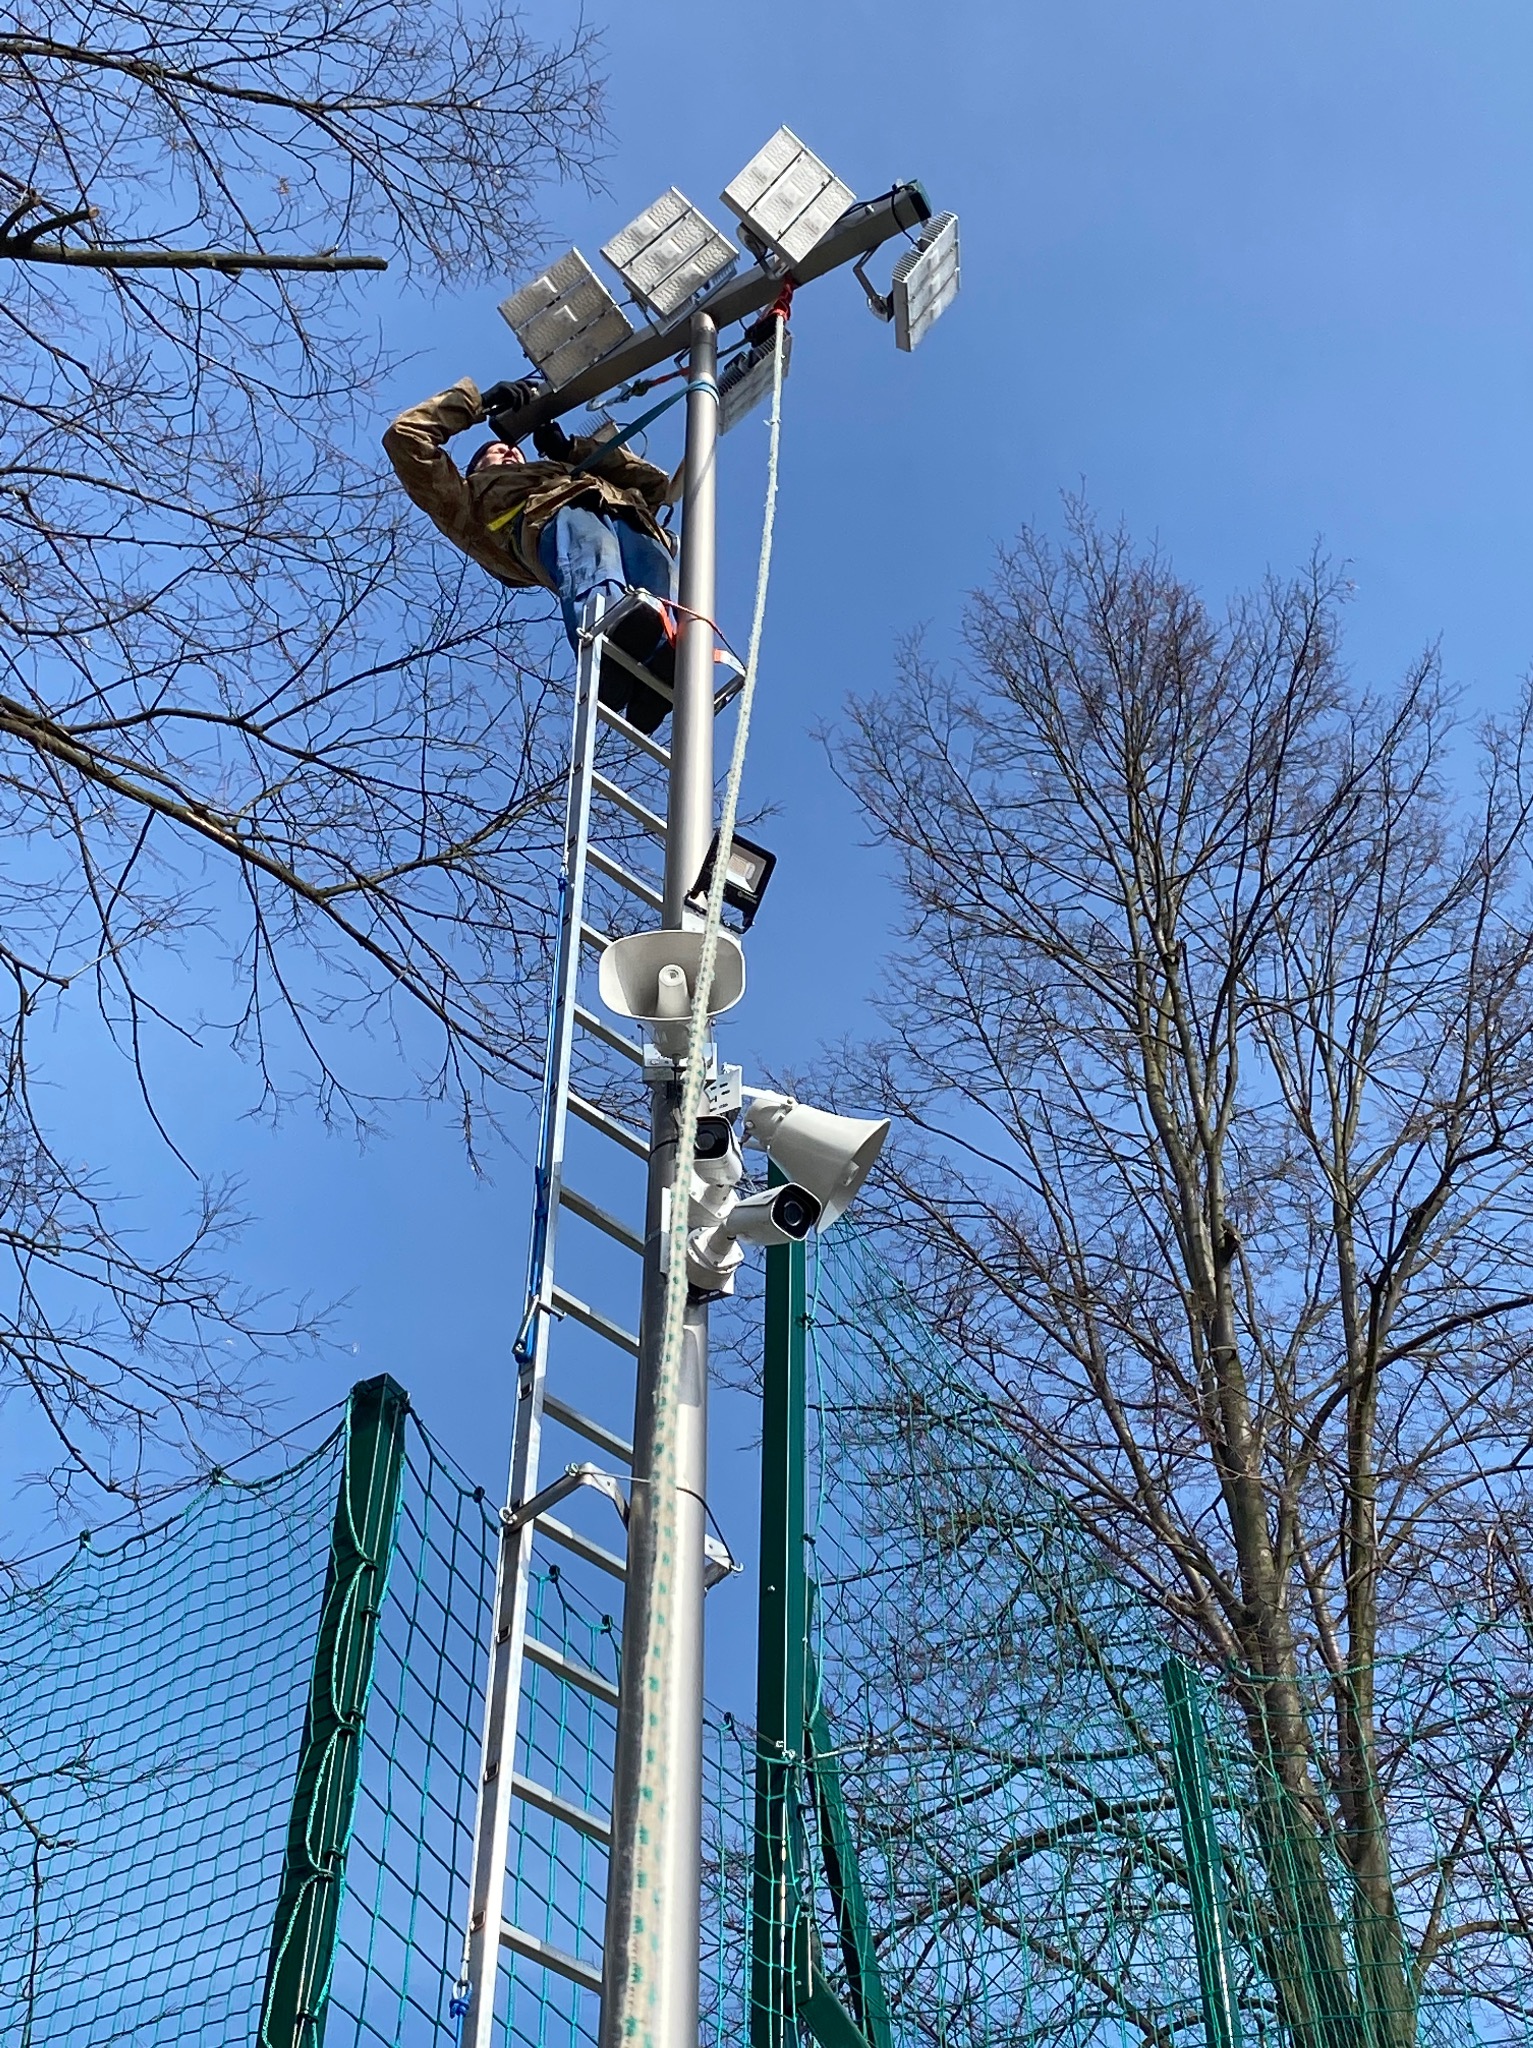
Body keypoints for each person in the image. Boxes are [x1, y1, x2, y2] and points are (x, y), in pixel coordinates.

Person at [383, 376, 678, 733]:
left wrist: (570, 450)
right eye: (495, 452)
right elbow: (405, 438)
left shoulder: (572, 470)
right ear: (475, 470)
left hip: (628, 519)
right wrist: (476, 403)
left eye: (517, 451)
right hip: (554, 522)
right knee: (589, 543)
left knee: (656, 569)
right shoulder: (463, 501)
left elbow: (654, 486)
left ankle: (652, 676)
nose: (509, 451)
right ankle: (608, 638)